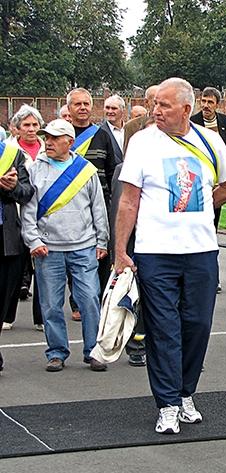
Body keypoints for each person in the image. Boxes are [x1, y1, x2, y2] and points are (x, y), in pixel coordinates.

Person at [114, 77, 226, 434]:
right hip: (155, 252)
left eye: (164, 105)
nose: (156, 110)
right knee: (164, 328)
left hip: (201, 250)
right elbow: (129, 200)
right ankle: (167, 403)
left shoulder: (210, 140)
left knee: (197, 325)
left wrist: (205, 204)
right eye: (155, 104)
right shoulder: (142, 142)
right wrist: (120, 250)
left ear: (186, 109)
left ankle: (186, 393)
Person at [21, 119, 109, 373]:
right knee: (51, 304)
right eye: (46, 138)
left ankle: (93, 351)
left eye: (54, 138)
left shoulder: (86, 170)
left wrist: (102, 241)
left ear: (69, 142)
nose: (48, 142)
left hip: (84, 246)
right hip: (48, 249)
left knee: (90, 299)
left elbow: (98, 208)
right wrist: (33, 240)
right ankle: (56, 352)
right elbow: (28, 210)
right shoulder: (35, 169)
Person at [67, 88, 116, 319]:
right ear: (69, 108)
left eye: (86, 103)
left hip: (100, 203)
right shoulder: (61, 134)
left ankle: (99, 300)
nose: (83, 108)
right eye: (78, 104)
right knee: (72, 253)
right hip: (68, 204)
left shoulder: (102, 135)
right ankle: (77, 302)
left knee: (101, 252)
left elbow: (112, 170)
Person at [2, 105, 45, 332]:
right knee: (15, 270)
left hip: (44, 216)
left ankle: (41, 317)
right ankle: (7, 315)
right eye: (26, 125)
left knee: (43, 270)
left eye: (35, 124)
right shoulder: (9, 151)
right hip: (15, 218)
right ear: (16, 128)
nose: (31, 129)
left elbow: (29, 188)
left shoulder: (49, 148)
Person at [190, 86, 226, 294]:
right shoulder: (193, 122)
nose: (206, 105)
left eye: (210, 102)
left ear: (217, 104)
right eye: (203, 101)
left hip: (219, 186)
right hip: (199, 183)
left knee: (212, 231)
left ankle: (212, 276)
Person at [0, 135, 34, 371]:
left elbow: (27, 191)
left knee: (3, 298)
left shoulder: (11, 154)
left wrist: (12, 187)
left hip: (6, 239)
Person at [123, 85, 158, 153]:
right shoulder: (132, 126)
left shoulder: (172, 124)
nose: (160, 106)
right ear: (146, 102)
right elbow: (128, 154)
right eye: (156, 102)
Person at [100, 94, 126, 166]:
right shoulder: (99, 132)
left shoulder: (131, 130)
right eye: (107, 108)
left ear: (122, 110)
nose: (110, 111)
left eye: (114, 108)